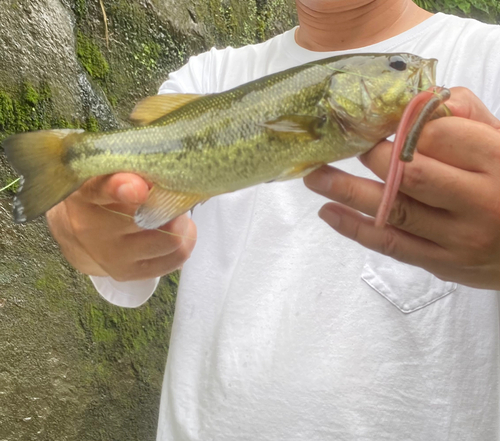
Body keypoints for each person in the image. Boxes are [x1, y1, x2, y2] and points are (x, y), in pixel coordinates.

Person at [47, 0, 500, 439]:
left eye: (398, 65)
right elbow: (125, 227)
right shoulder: (208, 76)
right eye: (398, 66)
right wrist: (96, 232)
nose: (411, 69)